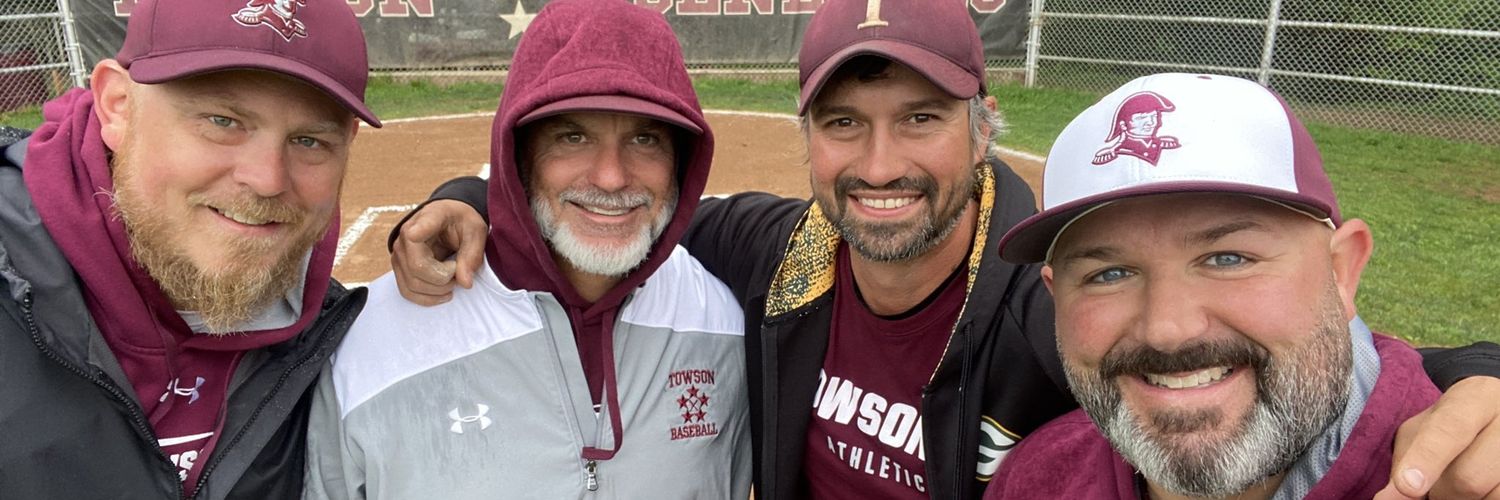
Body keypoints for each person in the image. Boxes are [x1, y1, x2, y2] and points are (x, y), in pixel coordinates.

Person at [389, 1, 1500, 499]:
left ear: (982, 127)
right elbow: (601, 200)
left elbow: (1295, 360)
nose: (880, 163)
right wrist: (456, 198)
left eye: (921, 117)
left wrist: (1476, 376)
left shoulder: (1068, 296)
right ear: (806, 140)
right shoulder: (776, 248)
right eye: (843, 123)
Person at [301, 1, 750, 498]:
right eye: (572, 135)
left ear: (681, 162)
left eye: (646, 138)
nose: (611, 176)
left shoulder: (722, 324)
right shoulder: (372, 347)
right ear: (517, 155)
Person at [985, 72, 1474, 499]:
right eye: (1108, 275)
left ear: (1342, 271)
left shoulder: (1465, 474)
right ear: (1057, 297)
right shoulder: (1039, 474)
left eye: (1228, 258)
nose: (1167, 330)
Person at [0, 0, 379, 498]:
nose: (267, 180)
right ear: (118, 104)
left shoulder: (328, 331)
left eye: (309, 141)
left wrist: (474, 205)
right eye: (222, 121)